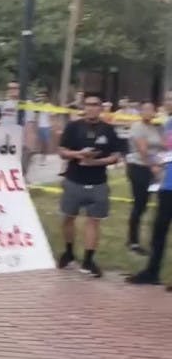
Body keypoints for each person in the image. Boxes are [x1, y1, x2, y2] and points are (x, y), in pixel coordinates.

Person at [57, 92, 121, 277]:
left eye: (95, 104)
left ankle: (88, 260)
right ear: (83, 107)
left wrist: (96, 162)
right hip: (74, 180)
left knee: (93, 221)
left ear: (101, 108)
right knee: (68, 218)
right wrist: (78, 154)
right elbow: (61, 151)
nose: (91, 108)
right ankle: (69, 253)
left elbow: (116, 156)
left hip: (98, 182)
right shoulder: (73, 127)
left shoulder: (108, 130)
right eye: (88, 105)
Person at [128, 92, 172, 287]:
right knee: (159, 230)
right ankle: (152, 272)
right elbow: (164, 152)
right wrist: (156, 164)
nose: (168, 102)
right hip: (166, 184)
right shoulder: (167, 125)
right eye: (167, 99)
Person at [123, 102, 163, 257]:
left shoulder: (155, 128)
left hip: (153, 169)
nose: (148, 112)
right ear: (140, 112)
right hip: (139, 168)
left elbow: (161, 147)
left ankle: (148, 239)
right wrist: (153, 166)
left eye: (151, 109)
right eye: (145, 109)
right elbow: (143, 149)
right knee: (139, 204)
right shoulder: (137, 127)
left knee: (146, 204)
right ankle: (133, 241)